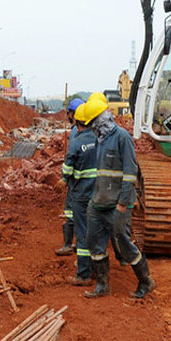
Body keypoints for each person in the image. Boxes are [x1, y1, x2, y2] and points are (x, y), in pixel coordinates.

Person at [79, 93, 155, 299]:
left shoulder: (122, 137)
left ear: (101, 119)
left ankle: (146, 281)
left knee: (123, 244)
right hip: (98, 203)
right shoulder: (99, 139)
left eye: (93, 123)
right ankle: (103, 285)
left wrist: (123, 204)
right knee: (94, 243)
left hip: (117, 206)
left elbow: (130, 173)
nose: (92, 127)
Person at [63, 105, 97, 285]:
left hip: (81, 193)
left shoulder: (76, 142)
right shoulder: (100, 139)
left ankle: (84, 274)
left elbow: (68, 169)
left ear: (77, 121)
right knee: (97, 232)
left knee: (83, 234)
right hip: (98, 194)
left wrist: (64, 178)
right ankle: (97, 269)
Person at [55, 97, 84, 256]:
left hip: (76, 179)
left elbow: (71, 157)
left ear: (73, 114)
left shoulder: (76, 132)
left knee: (72, 211)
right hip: (87, 181)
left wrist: (65, 178)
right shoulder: (91, 132)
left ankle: (68, 244)